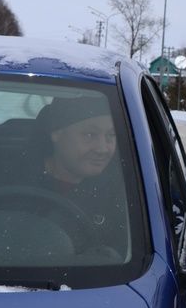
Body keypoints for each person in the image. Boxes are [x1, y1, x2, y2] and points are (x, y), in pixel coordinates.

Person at [28, 95, 128, 252]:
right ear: (56, 133)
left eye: (110, 135)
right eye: (90, 135)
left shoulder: (129, 192)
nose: (102, 148)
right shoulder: (11, 179)